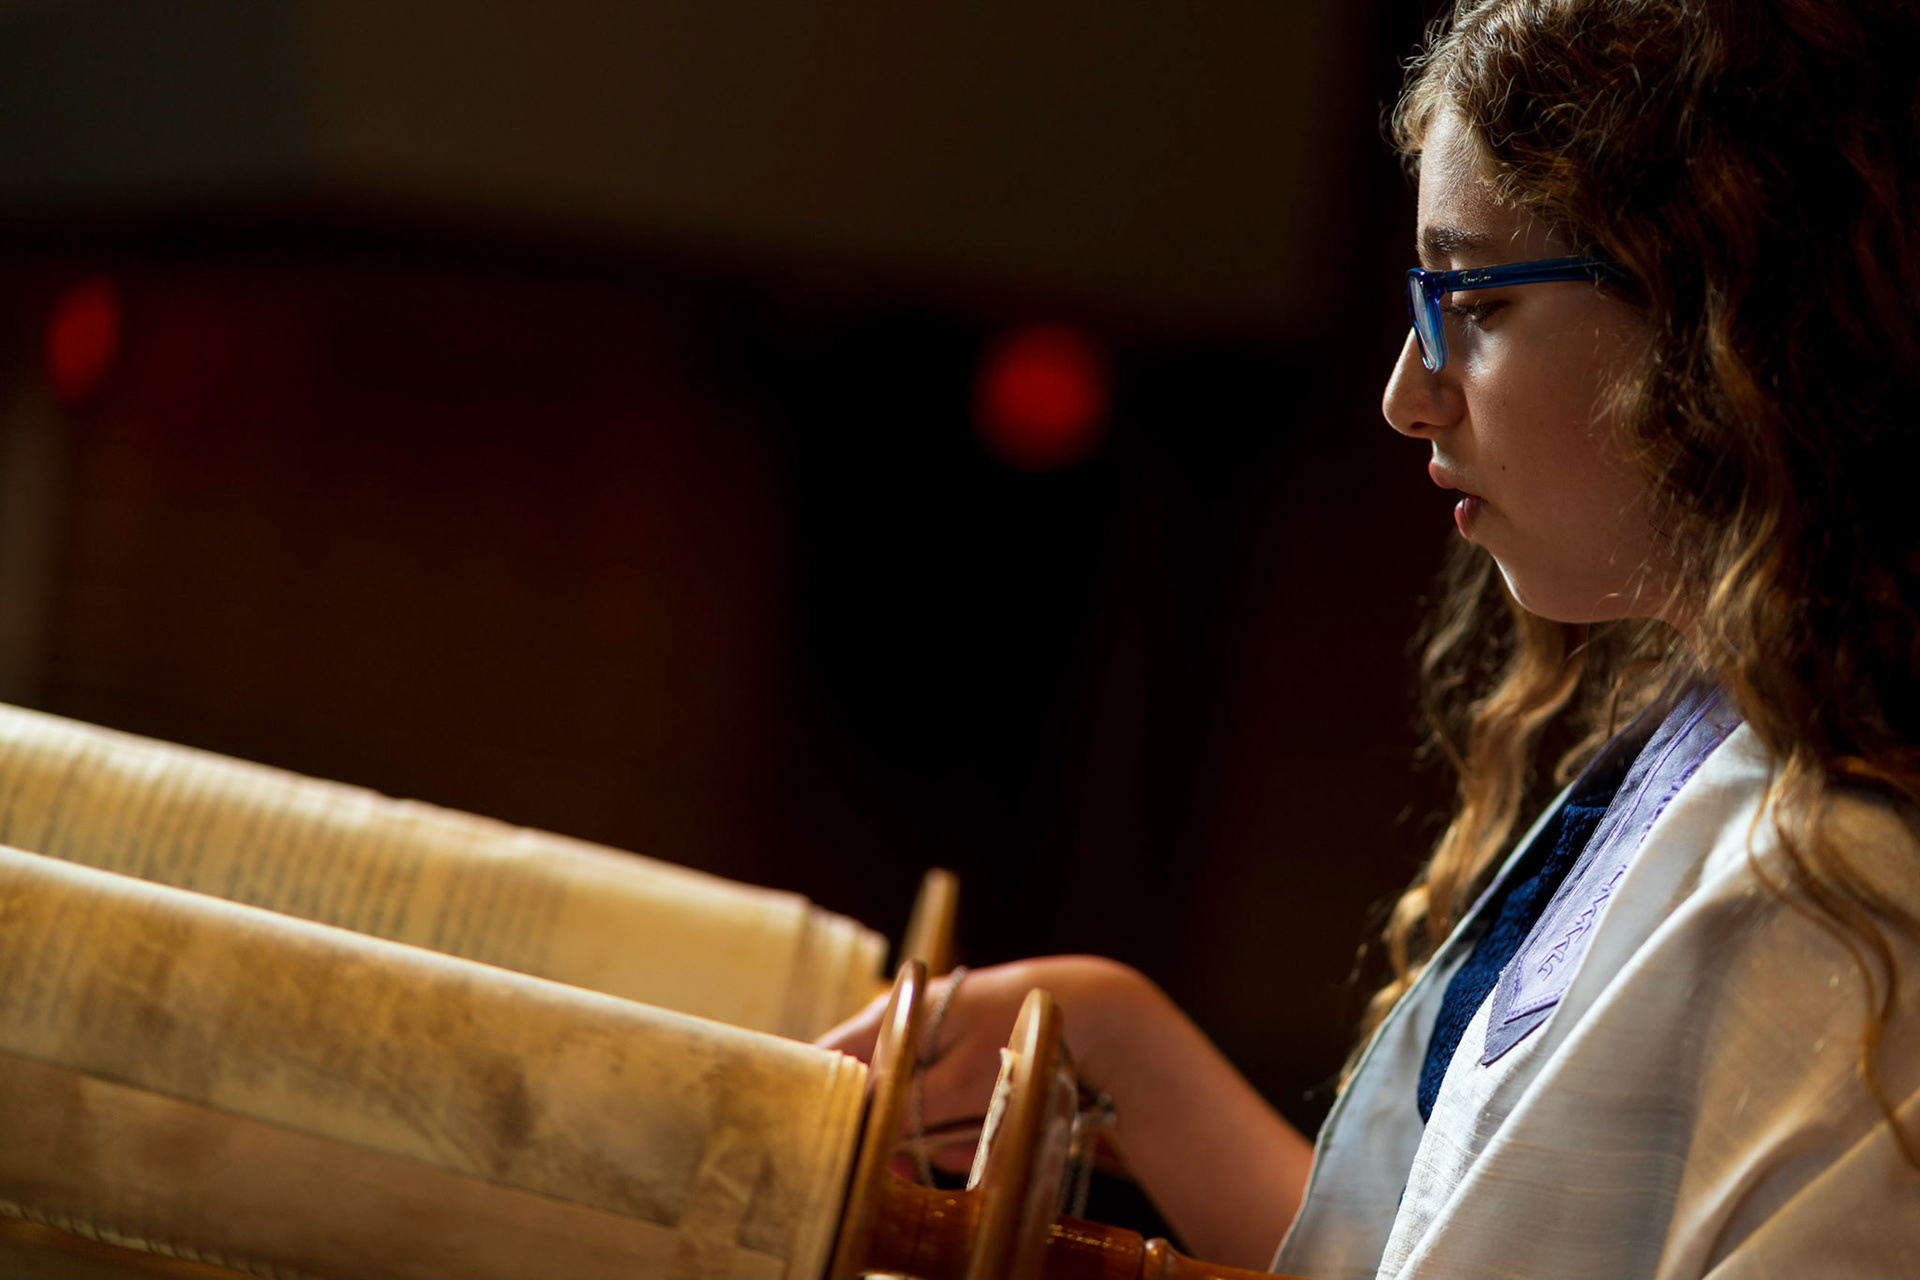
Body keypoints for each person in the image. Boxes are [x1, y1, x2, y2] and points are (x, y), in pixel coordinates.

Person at [822, 0, 1920, 1274]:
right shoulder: (1718, 737)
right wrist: (1124, 1046)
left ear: (1728, 311)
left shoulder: (1859, 887)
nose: (1407, 391)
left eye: (1477, 298)